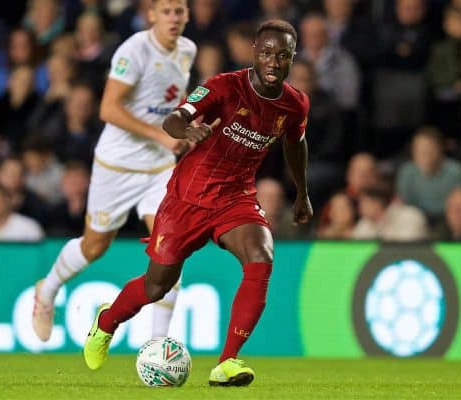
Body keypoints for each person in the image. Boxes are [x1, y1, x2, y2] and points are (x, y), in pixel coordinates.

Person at [83, 19, 311, 386]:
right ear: (255, 50)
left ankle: (227, 362)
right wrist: (187, 130)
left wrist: (302, 192)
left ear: (291, 58)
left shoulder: (294, 104)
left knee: (261, 256)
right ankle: (106, 321)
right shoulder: (224, 87)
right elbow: (176, 118)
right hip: (187, 199)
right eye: (267, 52)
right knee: (156, 286)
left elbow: (295, 144)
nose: (273, 61)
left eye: (282, 55)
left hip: (236, 197)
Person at [31, 0, 196, 342]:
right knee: (94, 246)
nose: (174, 18)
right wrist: (160, 135)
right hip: (118, 165)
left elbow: (170, 103)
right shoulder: (134, 50)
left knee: (171, 247)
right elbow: (107, 108)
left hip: (160, 168)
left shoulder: (187, 50)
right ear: (152, 15)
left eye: (179, 11)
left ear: (187, 16)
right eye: (167, 11)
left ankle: (157, 344)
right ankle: (47, 291)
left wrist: (188, 126)